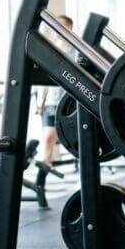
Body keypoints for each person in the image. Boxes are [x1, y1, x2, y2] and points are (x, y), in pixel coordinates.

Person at [35, 15, 72, 165]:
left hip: (70, 102)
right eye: (56, 26)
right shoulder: (50, 50)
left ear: (70, 28)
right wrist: (40, 101)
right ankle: (42, 178)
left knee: (74, 139)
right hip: (52, 101)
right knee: (48, 137)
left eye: (62, 26)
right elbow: (43, 79)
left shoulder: (77, 51)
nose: (58, 30)